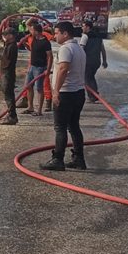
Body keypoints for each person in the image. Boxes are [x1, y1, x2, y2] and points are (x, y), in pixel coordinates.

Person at [41, 21, 87, 171]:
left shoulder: (66, 49)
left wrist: (55, 92)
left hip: (66, 93)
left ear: (65, 33)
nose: (54, 36)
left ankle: (58, 159)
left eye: (56, 33)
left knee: (60, 127)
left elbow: (63, 70)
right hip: (79, 93)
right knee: (74, 126)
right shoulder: (79, 48)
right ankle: (78, 159)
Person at [21, 22, 53, 116]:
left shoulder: (45, 42)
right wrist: (24, 44)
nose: (30, 31)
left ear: (36, 31)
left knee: (39, 88)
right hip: (32, 66)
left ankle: (39, 110)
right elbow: (32, 49)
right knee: (28, 86)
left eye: (32, 30)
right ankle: (30, 107)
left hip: (40, 67)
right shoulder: (34, 39)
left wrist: (48, 69)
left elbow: (50, 56)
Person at [79, 20, 108, 102]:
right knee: (91, 77)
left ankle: (92, 96)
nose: (82, 27)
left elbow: (81, 50)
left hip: (87, 61)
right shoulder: (99, 37)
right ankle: (95, 94)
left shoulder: (85, 36)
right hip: (96, 61)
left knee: (87, 79)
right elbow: (103, 50)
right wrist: (104, 61)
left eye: (83, 26)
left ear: (88, 27)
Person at [0, 27, 20, 125]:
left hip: (8, 73)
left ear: (11, 36)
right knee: (7, 94)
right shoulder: (9, 45)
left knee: (8, 95)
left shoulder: (12, 47)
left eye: (6, 34)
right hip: (6, 73)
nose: (4, 36)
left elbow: (7, 60)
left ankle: (12, 116)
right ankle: (11, 115)